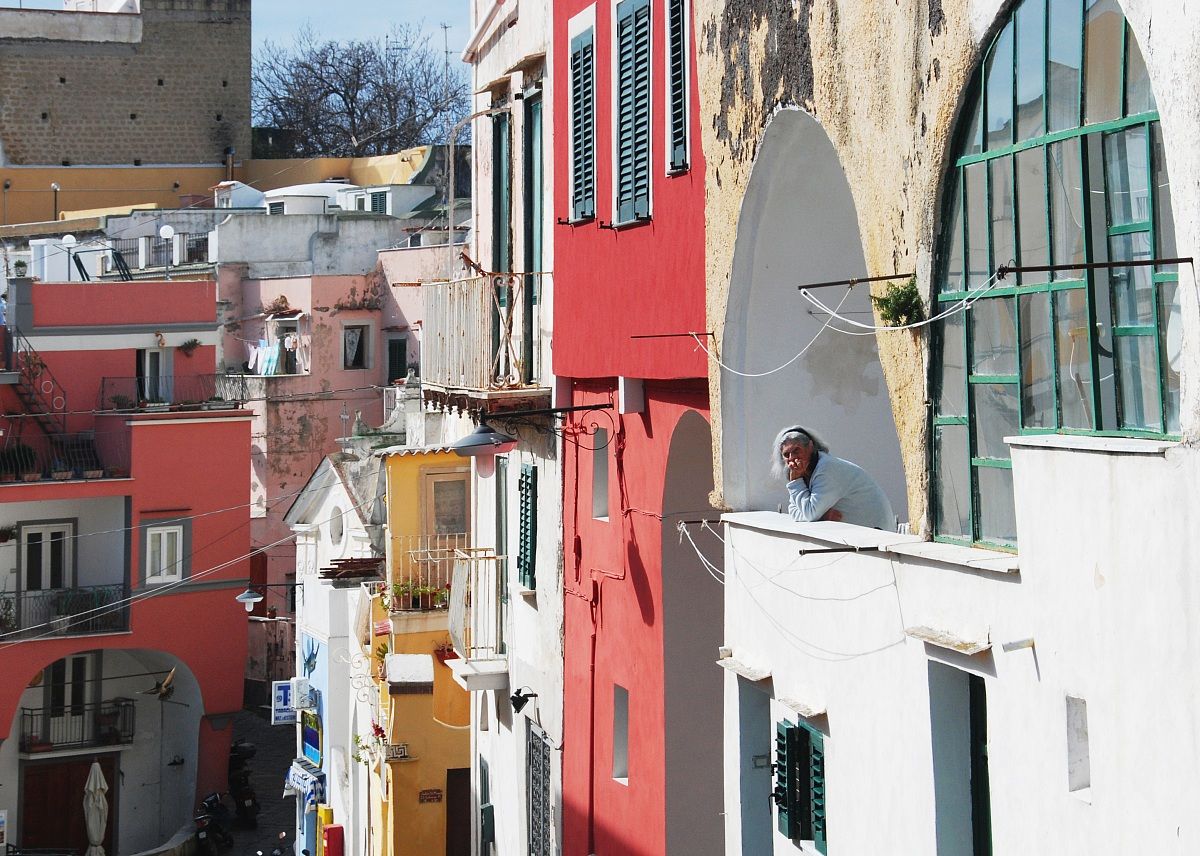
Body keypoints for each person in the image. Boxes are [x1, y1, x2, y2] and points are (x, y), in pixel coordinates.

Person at [772, 425, 895, 530]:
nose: (792, 458)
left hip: (876, 534)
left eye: (797, 450)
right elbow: (794, 511)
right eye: (786, 455)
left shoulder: (827, 468)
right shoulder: (804, 473)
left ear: (810, 447)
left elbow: (809, 513)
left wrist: (796, 482)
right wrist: (821, 516)